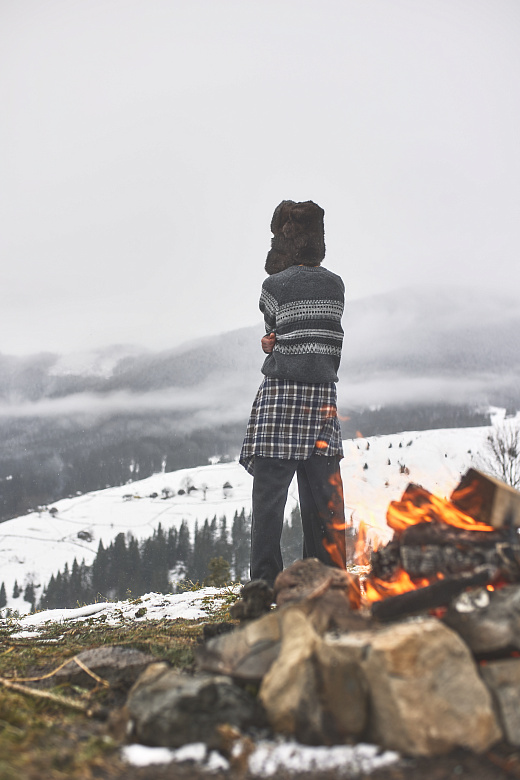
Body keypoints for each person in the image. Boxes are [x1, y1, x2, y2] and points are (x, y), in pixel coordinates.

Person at [239, 200, 346, 586]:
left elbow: (275, 327)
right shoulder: (336, 285)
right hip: (322, 400)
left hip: (283, 395)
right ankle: (329, 578)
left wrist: (271, 343)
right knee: (324, 497)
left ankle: (265, 582)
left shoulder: (273, 286)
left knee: (269, 498)